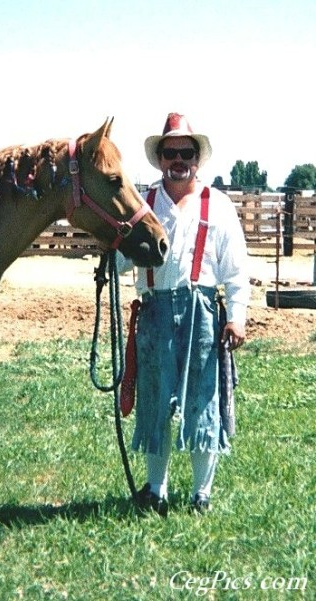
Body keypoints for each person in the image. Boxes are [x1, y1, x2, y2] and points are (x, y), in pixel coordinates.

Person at [119, 113, 250, 515]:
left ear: (198, 158)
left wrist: (237, 315)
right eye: (171, 152)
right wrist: (110, 261)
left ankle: (201, 494)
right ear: (160, 159)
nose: (179, 159)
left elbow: (236, 268)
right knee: (155, 399)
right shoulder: (142, 205)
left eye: (186, 152)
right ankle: (156, 490)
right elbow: (122, 258)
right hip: (155, 311)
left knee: (202, 400)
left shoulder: (219, 206)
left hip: (203, 312)